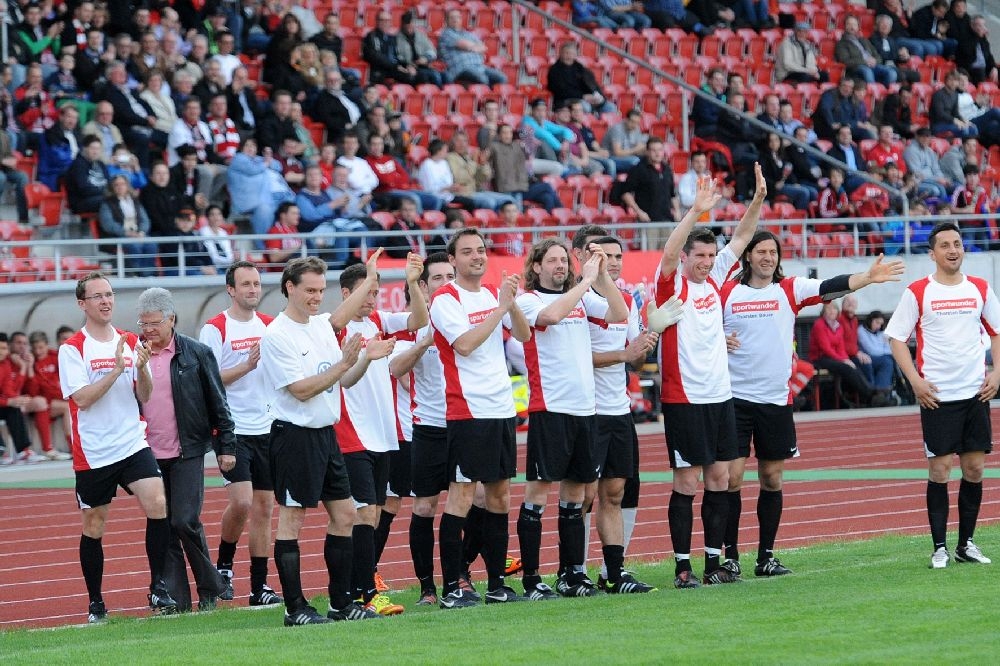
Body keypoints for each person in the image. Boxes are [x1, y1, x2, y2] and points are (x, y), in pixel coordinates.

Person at [720, 230, 903, 579]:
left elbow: (830, 287)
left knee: (771, 477)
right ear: (748, 257)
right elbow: (701, 327)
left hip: (775, 400)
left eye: (773, 252)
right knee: (731, 478)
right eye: (761, 251)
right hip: (734, 400)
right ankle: (730, 557)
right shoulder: (727, 292)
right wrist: (718, 337)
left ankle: (766, 557)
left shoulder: (789, 289)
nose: (767, 257)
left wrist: (866, 277)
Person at [258, 253, 387, 625]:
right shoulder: (277, 334)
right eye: (310, 290)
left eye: (320, 290)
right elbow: (300, 390)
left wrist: (363, 360)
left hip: (325, 436)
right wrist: (344, 363)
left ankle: (340, 603)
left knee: (345, 515)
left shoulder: (320, 326)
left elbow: (342, 377)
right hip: (294, 436)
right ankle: (295, 609)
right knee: (292, 519)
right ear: (289, 288)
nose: (317, 297)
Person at [655, 165, 765, 588]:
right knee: (687, 482)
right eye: (698, 256)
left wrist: (757, 200)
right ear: (686, 257)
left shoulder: (716, 279)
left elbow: (742, 237)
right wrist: (695, 212)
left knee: (720, 479)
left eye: (709, 256)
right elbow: (668, 254)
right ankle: (682, 567)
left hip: (720, 397)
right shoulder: (672, 285)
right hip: (685, 399)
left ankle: (714, 562)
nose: (705, 262)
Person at [58, 273, 176, 623]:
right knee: (94, 524)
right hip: (95, 451)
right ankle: (96, 602)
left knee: (157, 502)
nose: (106, 301)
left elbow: (144, 395)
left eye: (109, 294)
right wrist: (115, 370)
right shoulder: (72, 348)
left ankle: (158, 586)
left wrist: (143, 369)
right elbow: (82, 399)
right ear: (82, 304)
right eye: (97, 296)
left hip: (132, 442)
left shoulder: (130, 339)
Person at [514, 238, 627, 599]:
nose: (560, 265)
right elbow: (550, 317)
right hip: (550, 409)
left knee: (576, 495)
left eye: (564, 260)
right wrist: (585, 281)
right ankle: (532, 579)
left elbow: (619, 313)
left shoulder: (581, 297)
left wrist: (602, 275)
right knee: (538, 494)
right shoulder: (529, 300)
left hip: (585, 410)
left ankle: (573, 574)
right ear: (536, 267)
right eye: (552, 260)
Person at [886, 221, 1000, 569]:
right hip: (937, 397)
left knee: (975, 469)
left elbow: (997, 332)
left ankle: (966, 544)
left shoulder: (980, 287)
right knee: (940, 471)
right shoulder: (918, 291)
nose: (953, 250)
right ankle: (939, 547)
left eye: (957, 244)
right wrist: (915, 381)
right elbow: (896, 339)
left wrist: (997, 372)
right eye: (945, 245)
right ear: (932, 253)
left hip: (976, 395)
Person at [430, 228, 531, 607]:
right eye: (468, 251)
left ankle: (496, 585)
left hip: (501, 408)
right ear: (452, 260)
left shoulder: (491, 293)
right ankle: (451, 588)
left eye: (481, 250)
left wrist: (511, 304)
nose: (477, 256)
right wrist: (500, 309)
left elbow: (523, 335)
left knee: (500, 495)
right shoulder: (445, 298)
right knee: (461, 496)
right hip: (467, 409)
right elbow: (465, 345)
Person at [334, 257, 424, 616]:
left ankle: (359, 588)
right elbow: (345, 380)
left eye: (375, 292)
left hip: (383, 433)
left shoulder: (379, 321)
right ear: (346, 294)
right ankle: (365, 593)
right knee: (363, 513)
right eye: (365, 292)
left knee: (372, 515)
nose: (371, 299)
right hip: (352, 433)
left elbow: (418, 321)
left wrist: (413, 283)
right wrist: (367, 358)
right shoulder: (336, 327)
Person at [135, 288, 233, 613]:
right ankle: (178, 599)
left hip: (186, 449)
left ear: (171, 319)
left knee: (184, 520)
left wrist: (226, 444)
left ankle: (210, 585)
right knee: (163, 527)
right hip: (147, 454)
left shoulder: (197, 353)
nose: (148, 330)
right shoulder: (134, 355)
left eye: (154, 323)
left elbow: (218, 401)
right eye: (143, 323)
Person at [578, 234, 664, 593]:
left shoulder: (627, 300)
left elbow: (636, 362)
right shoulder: (578, 300)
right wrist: (624, 354)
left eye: (617, 257)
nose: (613, 263)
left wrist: (648, 338)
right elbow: (575, 357)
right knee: (582, 496)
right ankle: (575, 572)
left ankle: (613, 573)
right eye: (606, 256)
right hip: (587, 410)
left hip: (618, 410)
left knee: (614, 493)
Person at [200, 262, 283, 608]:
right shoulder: (215, 328)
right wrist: (247, 365)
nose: (253, 289)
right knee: (243, 501)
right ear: (231, 290)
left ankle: (259, 586)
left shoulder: (271, 325)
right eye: (245, 284)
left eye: (256, 283)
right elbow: (208, 380)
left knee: (265, 506)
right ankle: (224, 564)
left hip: (269, 427)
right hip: (233, 429)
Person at [388, 253, 454, 605]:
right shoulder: (411, 326)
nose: (446, 283)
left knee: (477, 501)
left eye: (450, 276)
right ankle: (427, 588)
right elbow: (396, 369)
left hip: (467, 422)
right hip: (428, 426)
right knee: (425, 507)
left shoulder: (466, 314)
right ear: (423, 287)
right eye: (438, 278)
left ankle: (461, 575)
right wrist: (424, 341)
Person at [808, 300, 885, 407]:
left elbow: (841, 347)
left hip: (834, 357)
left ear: (837, 311)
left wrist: (846, 359)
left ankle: (870, 394)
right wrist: (842, 360)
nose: (831, 311)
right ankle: (871, 394)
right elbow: (826, 348)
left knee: (853, 366)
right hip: (820, 358)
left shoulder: (838, 326)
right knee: (846, 367)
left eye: (834, 309)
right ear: (823, 312)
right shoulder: (819, 324)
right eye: (828, 309)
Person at [619, 137, 678, 251]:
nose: (657, 153)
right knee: (650, 255)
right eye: (653, 150)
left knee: (667, 255)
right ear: (647, 152)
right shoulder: (638, 169)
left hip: (667, 220)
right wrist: (639, 212)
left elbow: (672, 194)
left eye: (660, 150)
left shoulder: (667, 169)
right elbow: (626, 193)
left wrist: (677, 210)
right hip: (648, 221)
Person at [97, 174, 157, 276]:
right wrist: (126, 233)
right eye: (116, 185)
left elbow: (145, 220)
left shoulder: (135, 201)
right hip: (119, 236)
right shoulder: (107, 204)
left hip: (138, 234)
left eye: (123, 184)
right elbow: (108, 224)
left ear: (127, 186)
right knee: (134, 245)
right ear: (112, 187)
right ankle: (136, 273)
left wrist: (142, 232)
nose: (120, 187)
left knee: (151, 244)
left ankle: (148, 274)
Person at [28, 330, 73, 460]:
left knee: (71, 405)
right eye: (35, 348)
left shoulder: (55, 357)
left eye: (41, 347)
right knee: (65, 407)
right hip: (42, 402)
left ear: (47, 345)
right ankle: (66, 448)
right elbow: (33, 391)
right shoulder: (32, 362)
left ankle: (74, 448)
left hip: (55, 400)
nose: (38, 351)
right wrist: (30, 368)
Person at [438, 9, 506, 87]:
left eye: (457, 17)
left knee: (501, 78)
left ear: (461, 19)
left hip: (479, 67)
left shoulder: (468, 34)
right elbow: (464, 45)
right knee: (483, 79)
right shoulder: (446, 34)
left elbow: (483, 47)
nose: (455, 19)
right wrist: (474, 47)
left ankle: (490, 95)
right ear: (446, 21)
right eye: (452, 17)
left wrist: (471, 47)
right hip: (461, 68)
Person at [547, 42, 614, 115]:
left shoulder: (580, 68)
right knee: (585, 107)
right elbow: (561, 91)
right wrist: (583, 96)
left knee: (610, 107)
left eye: (572, 53)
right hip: (565, 100)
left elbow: (592, 84)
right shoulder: (554, 70)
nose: (569, 56)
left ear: (575, 55)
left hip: (586, 98)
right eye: (566, 53)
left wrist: (598, 97)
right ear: (560, 53)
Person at [858, 309, 898, 399]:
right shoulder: (861, 331)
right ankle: (882, 393)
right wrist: (884, 348)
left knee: (894, 360)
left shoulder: (880, 332)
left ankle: (886, 394)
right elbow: (872, 350)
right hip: (868, 357)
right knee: (887, 362)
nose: (878, 326)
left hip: (881, 357)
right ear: (870, 320)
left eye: (880, 324)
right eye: (877, 322)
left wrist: (885, 347)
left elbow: (890, 349)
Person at [600, 109, 647, 175]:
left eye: (637, 123)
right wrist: (636, 149)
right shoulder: (617, 129)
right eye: (632, 121)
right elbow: (617, 153)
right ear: (626, 119)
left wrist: (645, 150)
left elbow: (638, 148)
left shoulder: (636, 128)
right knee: (635, 161)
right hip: (610, 157)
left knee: (648, 158)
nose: (634, 125)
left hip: (627, 156)